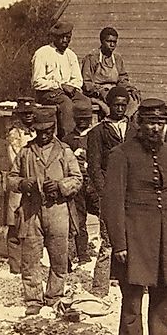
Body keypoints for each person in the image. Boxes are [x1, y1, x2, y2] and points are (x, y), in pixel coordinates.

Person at [102, 98, 167, 335]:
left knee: (165, 296)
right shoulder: (121, 154)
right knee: (132, 299)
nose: (156, 128)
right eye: (151, 122)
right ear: (139, 124)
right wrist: (119, 243)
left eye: (161, 123)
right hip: (136, 237)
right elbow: (112, 202)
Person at [8, 107, 83, 315]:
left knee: (59, 257)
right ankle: (33, 299)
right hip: (32, 211)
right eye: (40, 131)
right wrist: (23, 184)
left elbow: (78, 179)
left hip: (58, 210)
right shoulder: (26, 152)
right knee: (30, 257)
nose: (44, 135)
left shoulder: (65, 152)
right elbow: (11, 179)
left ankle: (54, 296)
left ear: (54, 128)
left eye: (48, 131)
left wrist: (60, 185)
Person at [87, 86, 133, 298]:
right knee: (107, 240)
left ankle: (132, 281)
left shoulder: (134, 130)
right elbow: (94, 166)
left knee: (133, 237)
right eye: (117, 105)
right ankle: (99, 288)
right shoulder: (98, 132)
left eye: (124, 105)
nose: (120, 109)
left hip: (132, 192)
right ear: (109, 106)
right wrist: (105, 193)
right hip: (110, 192)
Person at [31, 21, 89, 138]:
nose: (65, 41)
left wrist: (72, 87)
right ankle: (68, 138)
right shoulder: (42, 53)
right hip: (47, 93)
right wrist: (60, 86)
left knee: (85, 102)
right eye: (62, 37)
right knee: (66, 104)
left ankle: (84, 136)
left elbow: (78, 80)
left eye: (68, 38)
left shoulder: (71, 55)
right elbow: (37, 82)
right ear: (54, 37)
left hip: (68, 91)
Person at [61, 97, 97, 267]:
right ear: (75, 119)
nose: (83, 123)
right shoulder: (68, 140)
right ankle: (82, 253)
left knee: (103, 214)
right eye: (80, 119)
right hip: (78, 184)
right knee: (79, 218)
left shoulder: (96, 136)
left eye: (86, 119)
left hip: (95, 182)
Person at [5, 97, 38, 274]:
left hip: (34, 183)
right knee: (15, 222)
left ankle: (30, 262)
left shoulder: (36, 131)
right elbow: (18, 158)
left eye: (31, 113)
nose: (29, 117)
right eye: (25, 114)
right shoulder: (15, 134)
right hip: (20, 181)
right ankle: (15, 265)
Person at [80, 26, 139, 118]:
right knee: (112, 106)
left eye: (114, 42)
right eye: (109, 41)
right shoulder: (92, 58)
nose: (112, 45)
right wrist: (100, 91)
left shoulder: (117, 58)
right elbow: (87, 83)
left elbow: (122, 79)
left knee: (134, 100)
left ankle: (125, 123)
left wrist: (131, 89)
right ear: (102, 41)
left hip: (115, 91)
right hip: (98, 93)